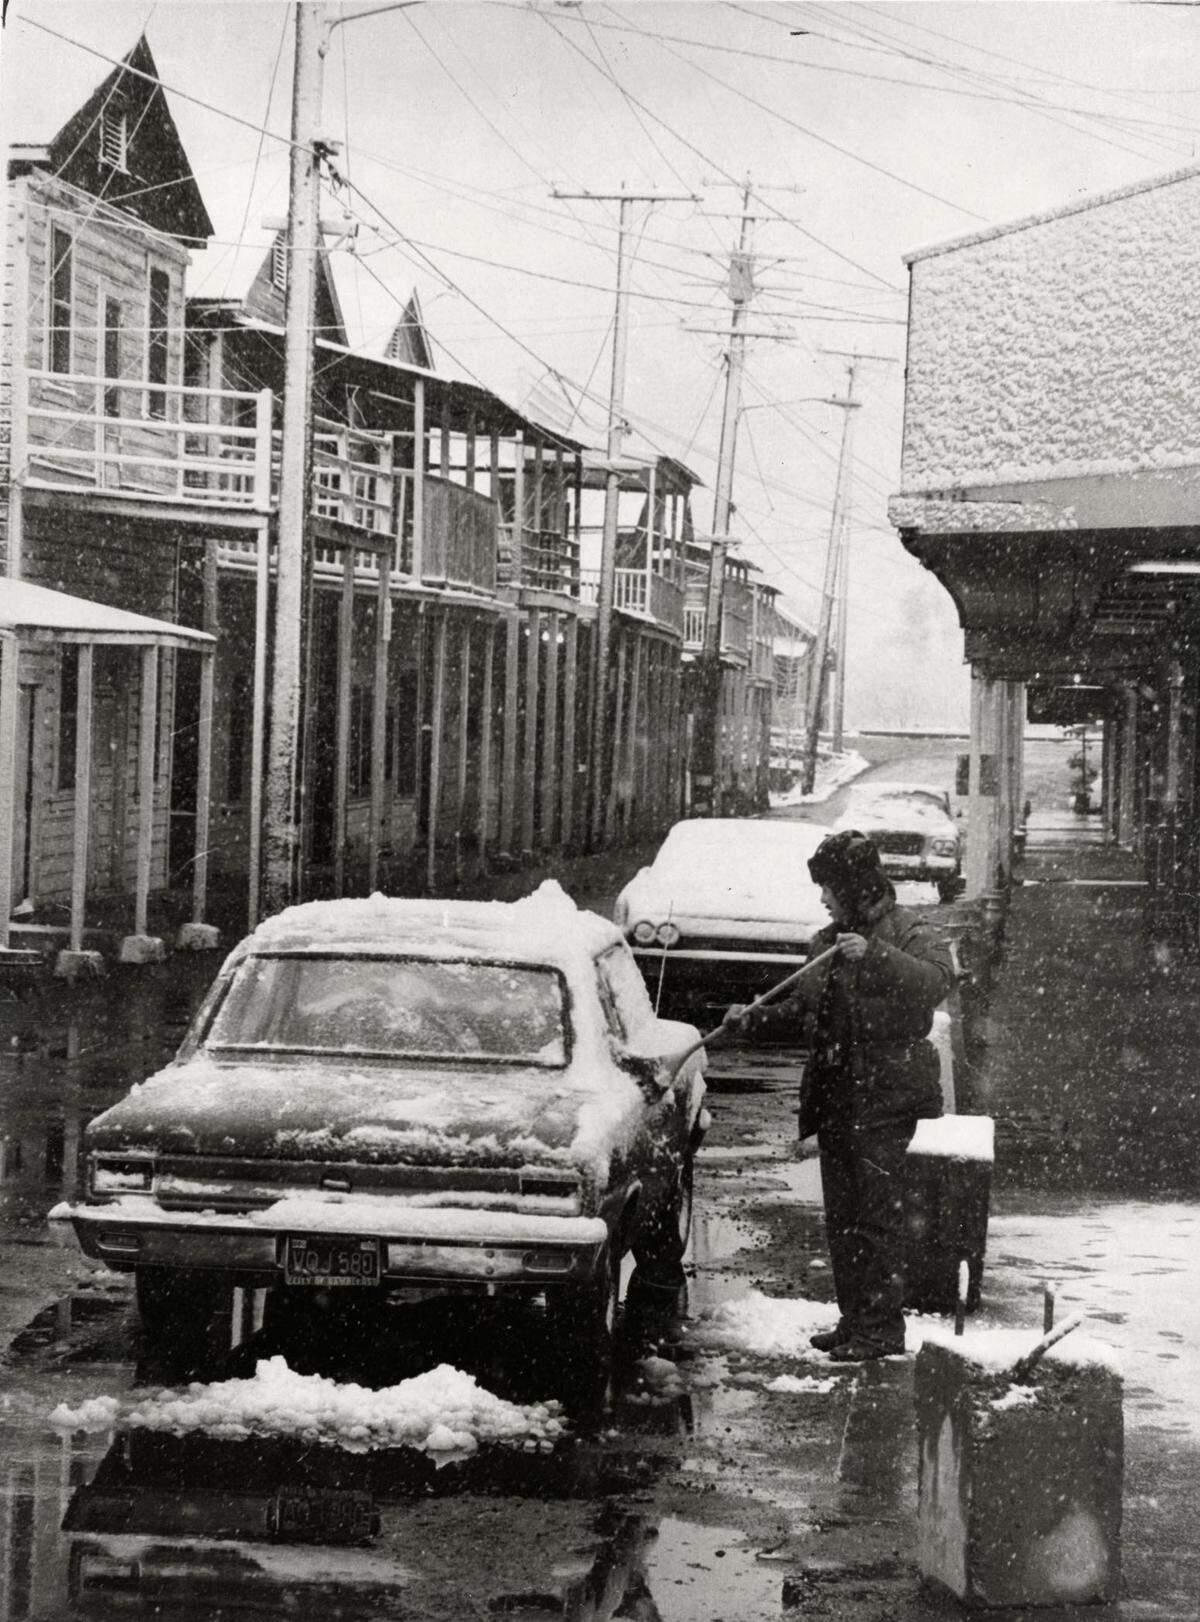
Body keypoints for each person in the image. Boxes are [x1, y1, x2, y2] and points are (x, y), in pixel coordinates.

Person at [724, 829, 953, 1361]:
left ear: (855, 885)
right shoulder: (827, 942)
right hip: (837, 1097)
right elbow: (807, 1014)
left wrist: (875, 956)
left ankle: (882, 1330)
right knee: (844, 1219)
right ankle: (856, 1321)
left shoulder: (909, 930)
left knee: (877, 1219)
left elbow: (936, 983)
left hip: (886, 1096)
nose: (822, 896)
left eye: (829, 886)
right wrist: (755, 1021)